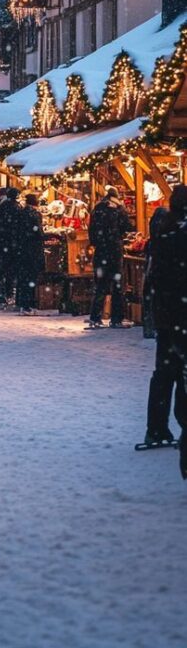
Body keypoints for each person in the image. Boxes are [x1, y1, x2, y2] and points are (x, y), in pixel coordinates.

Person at [142, 185, 187, 452]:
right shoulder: (179, 234)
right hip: (180, 313)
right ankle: (182, 428)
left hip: (167, 314)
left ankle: (156, 428)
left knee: (164, 373)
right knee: (181, 374)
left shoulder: (162, 232)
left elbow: (155, 275)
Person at [88, 186, 132, 329]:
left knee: (101, 285)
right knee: (117, 285)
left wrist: (96, 242)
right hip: (114, 250)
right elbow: (126, 226)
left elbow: (92, 230)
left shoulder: (97, 209)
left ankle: (95, 317)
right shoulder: (119, 208)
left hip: (101, 251)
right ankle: (116, 318)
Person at [15, 193, 45, 315]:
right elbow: (38, 233)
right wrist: (50, 236)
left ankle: (22, 304)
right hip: (32, 249)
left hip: (22, 249)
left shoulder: (21, 212)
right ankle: (29, 305)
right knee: (31, 277)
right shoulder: (34, 214)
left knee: (23, 278)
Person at [0, 187, 21, 308]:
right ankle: (9, 295)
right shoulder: (17, 209)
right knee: (11, 272)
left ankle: (0, 297)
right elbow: (20, 227)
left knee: (1, 271)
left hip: (2, 244)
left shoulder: (0, 208)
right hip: (13, 244)